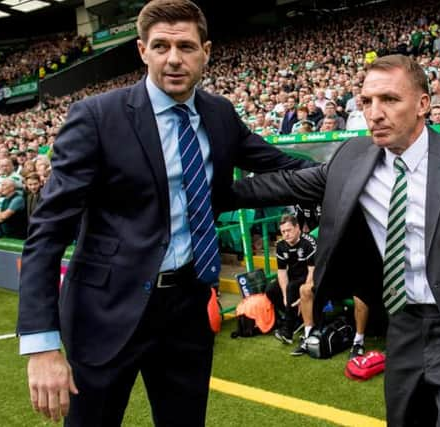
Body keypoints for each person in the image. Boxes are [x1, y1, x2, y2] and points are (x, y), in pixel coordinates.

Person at [16, 1, 313, 425]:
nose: (174, 59)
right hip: (105, 310)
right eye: (161, 46)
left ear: (206, 51)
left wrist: (363, 171)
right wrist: (42, 345)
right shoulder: (97, 117)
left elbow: (285, 165)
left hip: (187, 309)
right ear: (142, 50)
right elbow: (46, 233)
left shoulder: (220, 114)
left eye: (186, 46)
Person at [232, 55, 440, 426]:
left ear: (422, 104)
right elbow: (285, 184)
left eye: (389, 99)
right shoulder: (353, 157)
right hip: (402, 328)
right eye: (366, 101)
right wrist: (202, 193)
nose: (375, 113)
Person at [269, 214, 316, 347]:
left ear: (297, 228)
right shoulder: (281, 246)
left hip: (309, 277)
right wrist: (284, 297)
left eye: (289, 230)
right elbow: (282, 272)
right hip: (293, 276)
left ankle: (287, 332)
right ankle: (294, 317)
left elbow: (313, 270)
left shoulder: (309, 242)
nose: (286, 234)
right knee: (271, 290)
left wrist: (304, 294)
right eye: (283, 232)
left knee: (292, 287)